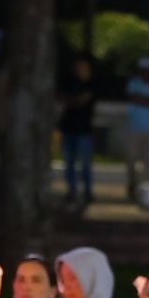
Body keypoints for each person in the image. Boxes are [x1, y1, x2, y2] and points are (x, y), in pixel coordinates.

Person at [122, 55, 149, 198]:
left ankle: (144, 189)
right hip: (134, 127)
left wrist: (142, 99)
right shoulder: (134, 82)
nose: (146, 72)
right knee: (131, 158)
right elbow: (133, 97)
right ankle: (131, 184)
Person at [59, 54, 97, 206]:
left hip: (84, 131)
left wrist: (72, 100)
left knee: (85, 164)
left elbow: (80, 101)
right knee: (69, 163)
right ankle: (72, 191)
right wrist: (73, 100)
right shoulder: (69, 82)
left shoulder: (91, 84)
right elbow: (64, 98)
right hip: (69, 128)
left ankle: (87, 191)